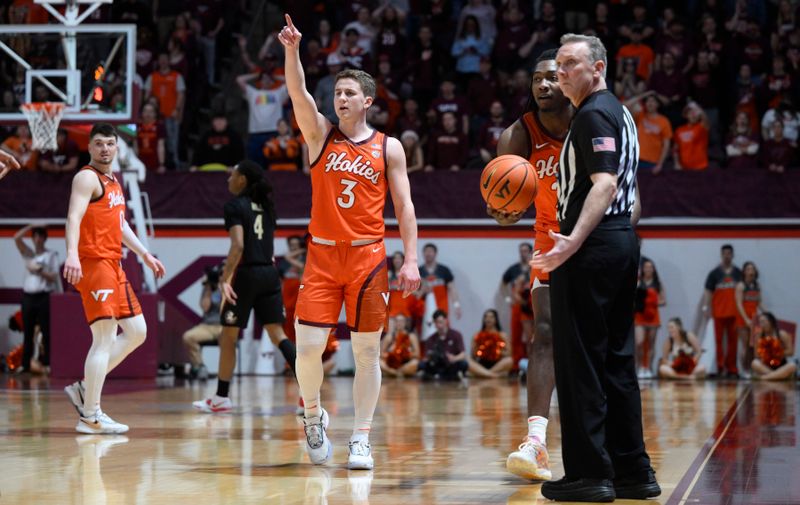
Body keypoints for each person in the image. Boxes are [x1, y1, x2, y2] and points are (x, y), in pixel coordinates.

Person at [278, 14, 421, 470]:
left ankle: (361, 437)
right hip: (321, 257)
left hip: (368, 259)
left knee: (366, 352)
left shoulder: (389, 147)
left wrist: (411, 260)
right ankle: (313, 416)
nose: (339, 99)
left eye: (347, 93)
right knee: (306, 347)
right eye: (336, 93)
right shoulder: (319, 135)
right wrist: (292, 50)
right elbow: (298, 93)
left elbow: (405, 208)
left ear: (367, 101)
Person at [532, 34, 659, 501]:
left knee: (581, 363)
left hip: (593, 244)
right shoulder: (621, 112)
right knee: (616, 361)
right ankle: (632, 471)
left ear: (598, 68)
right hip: (620, 240)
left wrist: (572, 243)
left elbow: (604, 184)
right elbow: (628, 189)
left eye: (569, 64)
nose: (559, 73)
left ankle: (590, 474)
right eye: (557, 65)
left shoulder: (592, 114)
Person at [488, 49, 573, 482]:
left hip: (591, 234)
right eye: (536, 79)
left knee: (594, 341)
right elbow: (502, 202)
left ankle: (606, 439)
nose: (542, 85)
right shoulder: (517, 135)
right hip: (547, 236)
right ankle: (536, 442)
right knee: (544, 332)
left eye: (551, 78)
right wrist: (503, 210)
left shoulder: (591, 122)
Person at [62, 123, 166, 434]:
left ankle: (84, 388)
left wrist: (144, 253)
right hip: (94, 263)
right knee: (104, 338)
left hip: (115, 264)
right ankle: (90, 415)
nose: (105, 148)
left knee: (137, 331)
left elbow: (119, 225)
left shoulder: (113, 181)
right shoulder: (86, 178)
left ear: (117, 147)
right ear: (90, 148)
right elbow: (73, 217)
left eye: (110, 143)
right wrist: (71, 254)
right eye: (99, 143)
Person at [192, 161, 298, 413]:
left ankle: (221, 397)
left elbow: (238, 245)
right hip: (270, 274)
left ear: (242, 181)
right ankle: (310, 396)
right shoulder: (266, 207)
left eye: (232, 176)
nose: (228, 180)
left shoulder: (234, 206)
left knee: (228, 335)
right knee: (278, 335)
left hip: (247, 275)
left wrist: (225, 279)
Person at [14, 223, 60, 374]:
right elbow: (16, 238)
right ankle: (25, 364)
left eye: (41, 236)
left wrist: (39, 270)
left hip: (44, 297)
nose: (38, 239)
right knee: (27, 332)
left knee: (46, 331)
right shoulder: (29, 254)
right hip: (28, 297)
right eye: (35, 236)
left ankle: (48, 363)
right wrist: (31, 226)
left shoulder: (51, 255)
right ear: (33, 239)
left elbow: (54, 276)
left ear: (45, 238)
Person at [702, 244, 742, 378]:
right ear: (721, 255)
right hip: (718, 312)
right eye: (724, 253)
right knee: (717, 342)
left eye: (729, 253)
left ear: (732, 255)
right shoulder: (714, 274)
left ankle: (732, 369)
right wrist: (706, 308)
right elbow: (708, 292)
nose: (726, 256)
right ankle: (719, 368)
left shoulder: (738, 273)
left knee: (733, 343)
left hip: (734, 313)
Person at [182, 263, 224, 380]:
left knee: (227, 340)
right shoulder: (208, 288)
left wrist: (222, 288)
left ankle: (225, 372)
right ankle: (200, 366)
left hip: (224, 326)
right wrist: (209, 287)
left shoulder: (230, 286)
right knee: (188, 337)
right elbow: (205, 307)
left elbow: (226, 309)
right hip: (207, 326)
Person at [634, 259, 665, 379]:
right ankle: (639, 367)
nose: (648, 269)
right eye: (646, 267)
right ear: (643, 269)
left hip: (653, 316)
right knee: (639, 342)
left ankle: (649, 368)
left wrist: (653, 301)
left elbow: (663, 300)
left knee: (651, 344)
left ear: (653, 269)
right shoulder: (638, 282)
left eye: (650, 267)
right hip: (640, 316)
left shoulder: (657, 284)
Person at [419, 309, 468, 381]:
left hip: (451, 364)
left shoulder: (456, 335)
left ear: (446, 321)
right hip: (436, 365)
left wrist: (454, 358)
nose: (439, 325)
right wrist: (431, 357)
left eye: (441, 322)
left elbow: (463, 354)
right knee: (422, 365)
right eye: (437, 323)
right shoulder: (430, 339)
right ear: (434, 323)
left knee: (464, 363)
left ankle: (456, 375)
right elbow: (427, 357)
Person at [735, 261, 763, 377]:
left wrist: (767, 314)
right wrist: (746, 318)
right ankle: (743, 370)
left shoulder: (757, 286)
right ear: (744, 272)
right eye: (748, 269)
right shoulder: (741, 286)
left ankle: (752, 368)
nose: (751, 271)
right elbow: (738, 304)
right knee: (745, 344)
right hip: (743, 318)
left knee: (753, 346)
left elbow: (759, 303)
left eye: (752, 269)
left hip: (754, 318)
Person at [419, 243, 461, 318]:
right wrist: (422, 291)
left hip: (441, 307)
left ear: (435, 253)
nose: (428, 254)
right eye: (426, 251)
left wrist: (456, 305)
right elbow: (413, 292)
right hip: (423, 308)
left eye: (430, 251)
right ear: (423, 253)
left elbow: (452, 288)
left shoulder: (444, 270)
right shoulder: (418, 271)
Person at [467, 309, 513, 378]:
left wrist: (496, 351)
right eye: (486, 317)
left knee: (509, 360)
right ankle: (492, 375)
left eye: (491, 317)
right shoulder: (477, 335)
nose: (488, 319)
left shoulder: (503, 335)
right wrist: (479, 350)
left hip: (497, 363)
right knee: (467, 360)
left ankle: (482, 374)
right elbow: (473, 355)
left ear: (496, 319)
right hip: (481, 362)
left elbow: (509, 354)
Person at [751, 312, 796, 381]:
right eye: (760, 322)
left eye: (763, 321)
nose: (762, 324)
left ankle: (764, 378)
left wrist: (778, 352)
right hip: (766, 366)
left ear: (771, 322)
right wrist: (765, 354)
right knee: (754, 363)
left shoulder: (782, 334)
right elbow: (756, 355)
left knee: (792, 365)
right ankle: (779, 376)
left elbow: (791, 351)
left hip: (781, 364)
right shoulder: (758, 336)